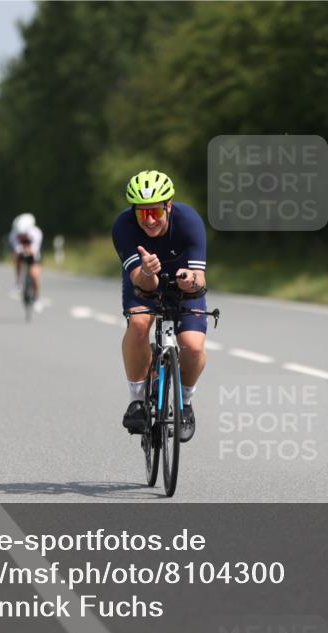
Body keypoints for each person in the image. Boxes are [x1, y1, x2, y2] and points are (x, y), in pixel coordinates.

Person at [112, 170, 208, 442]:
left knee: (194, 344)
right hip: (144, 278)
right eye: (143, 214)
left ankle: (185, 402)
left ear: (169, 205)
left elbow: (200, 280)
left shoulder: (189, 221)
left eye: (155, 211)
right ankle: (137, 401)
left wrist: (189, 280)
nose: (150, 220)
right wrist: (147, 270)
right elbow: (142, 284)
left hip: (182, 281)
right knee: (140, 323)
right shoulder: (124, 227)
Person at [8, 213, 43, 306]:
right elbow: (16, 248)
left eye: (24, 234)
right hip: (21, 252)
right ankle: (18, 282)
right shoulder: (13, 234)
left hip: (34, 254)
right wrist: (21, 251)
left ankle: (36, 297)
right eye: (20, 234)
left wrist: (29, 251)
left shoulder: (36, 233)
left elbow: (35, 249)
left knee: (34, 275)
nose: (22, 236)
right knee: (16, 257)